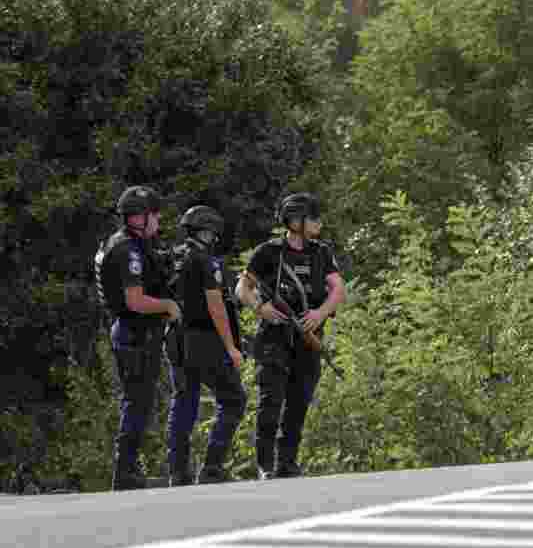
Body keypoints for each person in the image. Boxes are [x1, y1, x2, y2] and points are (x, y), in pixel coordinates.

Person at [235, 193, 346, 479]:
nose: (319, 222)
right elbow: (242, 288)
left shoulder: (322, 252)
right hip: (274, 337)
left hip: (308, 336)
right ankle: (265, 465)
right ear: (295, 220)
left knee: (299, 402)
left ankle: (288, 463)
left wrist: (319, 314)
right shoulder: (269, 252)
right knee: (271, 401)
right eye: (312, 217)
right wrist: (261, 307)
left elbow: (338, 289)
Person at [94, 186, 182, 490]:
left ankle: (129, 465)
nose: (158, 222)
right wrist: (168, 306)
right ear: (141, 218)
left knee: (139, 401)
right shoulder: (127, 250)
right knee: (137, 401)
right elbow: (134, 300)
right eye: (154, 216)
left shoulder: (130, 243)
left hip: (134, 330)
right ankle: (125, 469)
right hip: (134, 332)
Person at [165, 205, 248, 486]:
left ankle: (178, 472)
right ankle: (211, 467)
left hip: (175, 338)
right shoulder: (206, 261)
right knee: (234, 399)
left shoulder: (172, 257)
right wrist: (231, 347)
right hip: (204, 340)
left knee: (183, 404)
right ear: (208, 231)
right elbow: (216, 306)